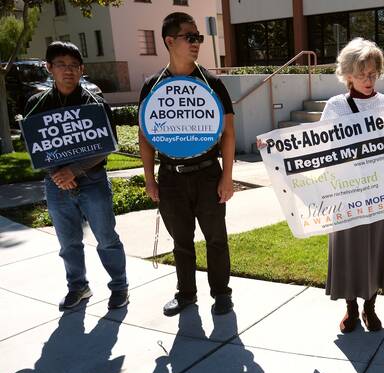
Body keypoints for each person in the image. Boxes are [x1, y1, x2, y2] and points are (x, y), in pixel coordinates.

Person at [261, 38, 384, 333]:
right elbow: (317, 150)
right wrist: (275, 147)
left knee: (376, 251)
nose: (368, 79)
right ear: (348, 74)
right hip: (345, 195)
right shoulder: (336, 107)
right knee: (347, 253)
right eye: (362, 73)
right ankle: (351, 308)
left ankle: (370, 307)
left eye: (374, 73)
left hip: (380, 196)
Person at [139, 12, 236, 317]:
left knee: (216, 239)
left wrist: (228, 177)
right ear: (170, 41)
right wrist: (149, 179)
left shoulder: (212, 84)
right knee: (181, 242)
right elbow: (145, 136)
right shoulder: (153, 86)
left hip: (208, 173)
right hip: (170, 178)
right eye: (189, 37)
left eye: (198, 37)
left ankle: (221, 294)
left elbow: (229, 133)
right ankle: (186, 294)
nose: (196, 43)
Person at [24, 41, 128, 311]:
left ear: (81, 69)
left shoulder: (94, 103)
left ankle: (119, 287)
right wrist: (58, 174)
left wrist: (75, 170)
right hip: (56, 185)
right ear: (49, 68)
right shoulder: (37, 104)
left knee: (106, 239)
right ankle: (78, 287)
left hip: (93, 181)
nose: (67, 71)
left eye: (73, 66)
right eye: (61, 65)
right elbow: (35, 145)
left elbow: (108, 144)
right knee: (68, 243)